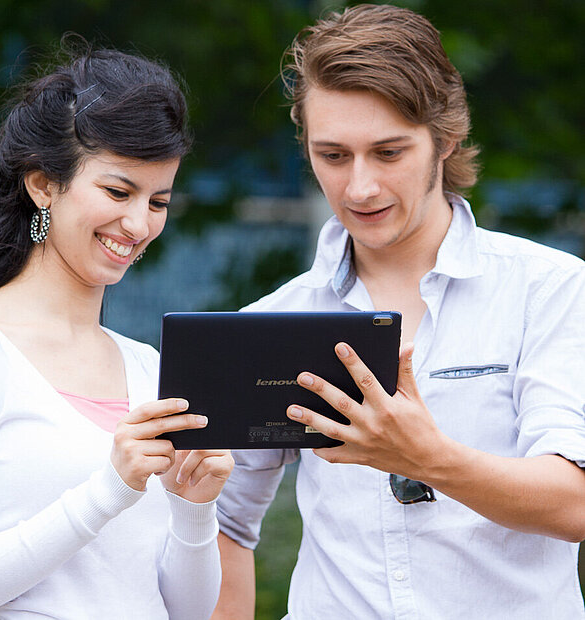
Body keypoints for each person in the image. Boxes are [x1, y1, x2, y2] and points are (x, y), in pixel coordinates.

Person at [212, 4, 585, 619]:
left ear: (446, 139)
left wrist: (427, 458)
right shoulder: (273, 320)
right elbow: (224, 524)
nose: (359, 188)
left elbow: (573, 504)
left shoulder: (549, 291)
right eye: (333, 156)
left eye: (388, 153)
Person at [0, 43, 234, 619]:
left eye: (158, 201)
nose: (138, 224)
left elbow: (186, 611)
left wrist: (194, 508)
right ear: (42, 184)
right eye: (118, 192)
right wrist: (109, 489)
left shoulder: (149, 367)